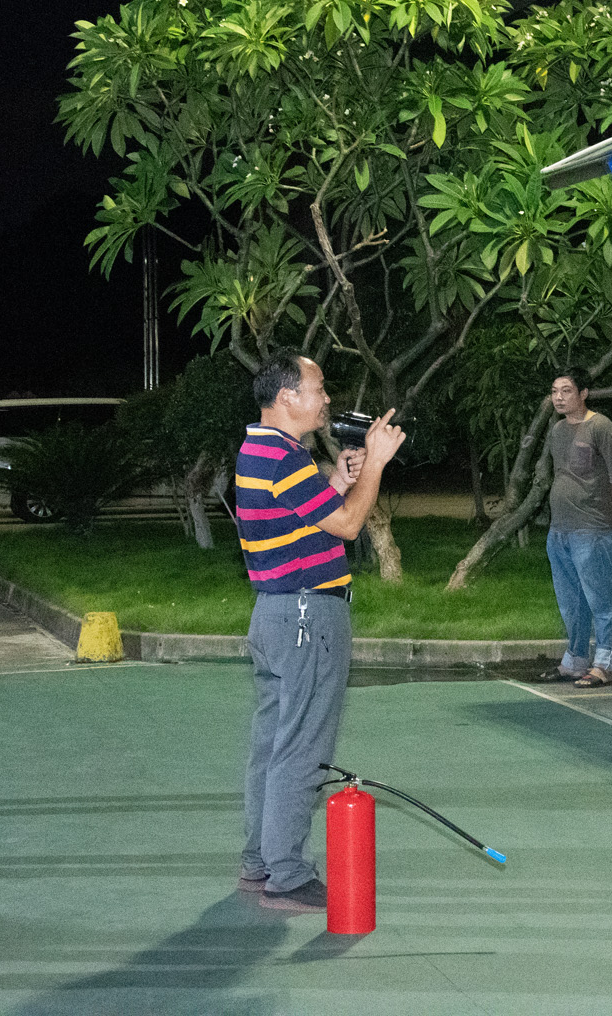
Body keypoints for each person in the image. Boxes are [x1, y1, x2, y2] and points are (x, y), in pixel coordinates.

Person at [235, 354, 404, 912]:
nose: (326, 398)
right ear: (287, 397)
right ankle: (287, 875)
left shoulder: (263, 450)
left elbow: (305, 518)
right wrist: (376, 465)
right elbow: (350, 525)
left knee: (272, 745)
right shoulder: (283, 457)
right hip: (308, 615)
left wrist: (338, 479)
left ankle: (260, 861)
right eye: (318, 388)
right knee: (302, 747)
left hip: (275, 613)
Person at [540, 369, 612, 688]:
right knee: (571, 601)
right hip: (560, 530)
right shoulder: (557, 430)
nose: (559, 397)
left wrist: (611, 514)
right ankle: (575, 660)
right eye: (554, 391)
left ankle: (604, 663)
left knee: (602, 599)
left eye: (566, 390)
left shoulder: (601, 427)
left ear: (583, 393)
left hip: (593, 529)